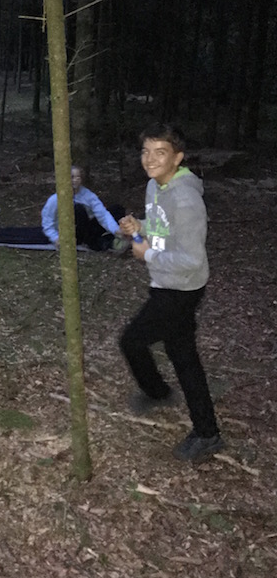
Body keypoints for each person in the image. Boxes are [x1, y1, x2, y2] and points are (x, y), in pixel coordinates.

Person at [118, 123, 224, 464]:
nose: (150, 159)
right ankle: (202, 427)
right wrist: (140, 227)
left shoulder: (187, 199)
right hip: (166, 283)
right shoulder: (155, 185)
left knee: (133, 341)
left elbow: (191, 259)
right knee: (182, 353)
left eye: (160, 152)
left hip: (181, 288)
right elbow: (162, 227)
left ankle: (171, 403)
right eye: (146, 151)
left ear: (177, 158)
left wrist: (147, 254)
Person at [41, 166, 124, 251]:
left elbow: (102, 214)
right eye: (72, 177)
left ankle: (108, 238)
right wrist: (56, 238)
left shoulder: (88, 195)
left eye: (78, 177)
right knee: (78, 208)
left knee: (117, 209)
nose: (75, 180)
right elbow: (47, 222)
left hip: (87, 229)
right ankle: (97, 243)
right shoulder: (55, 199)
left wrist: (116, 230)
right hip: (70, 232)